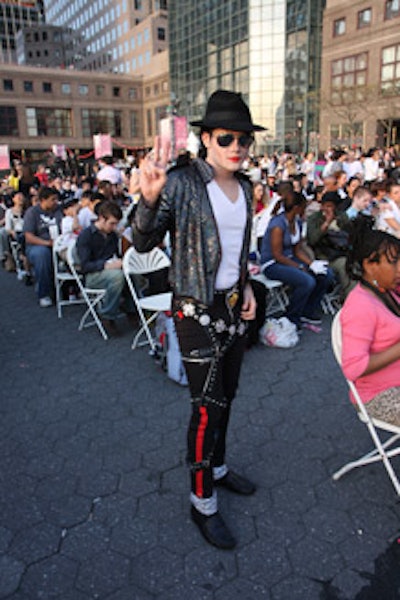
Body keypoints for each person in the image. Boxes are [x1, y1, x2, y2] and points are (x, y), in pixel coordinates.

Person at [132, 89, 259, 550]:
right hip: (192, 309)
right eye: (227, 137)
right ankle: (201, 502)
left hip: (231, 305)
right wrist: (148, 200)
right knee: (205, 406)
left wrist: (245, 285)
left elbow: (239, 249)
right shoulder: (182, 182)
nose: (238, 147)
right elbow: (142, 245)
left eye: (245, 139)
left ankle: (219, 469)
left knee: (228, 394)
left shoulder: (245, 186)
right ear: (206, 138)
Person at [340, 216, 400, 425]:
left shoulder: (389, 290)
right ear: (369, 265)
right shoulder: (360, 305)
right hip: (378, 394)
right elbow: (353, 368)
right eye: (394, 263)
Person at [261, 190, 335, 330]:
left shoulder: (297, 222)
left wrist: (311, 263)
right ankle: (292, 316)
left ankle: (307, 310)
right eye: (303, 207)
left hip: (289, 259)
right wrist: (300, 267)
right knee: (307, 280)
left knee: (326, 274)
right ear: (296, 208)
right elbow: (277, 255)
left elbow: (297, 250)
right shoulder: (278, 224)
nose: (305, 210)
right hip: (273, 263)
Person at [76, 200, 131, 334]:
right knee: (118, 276)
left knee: (131, 273)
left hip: (108, 271)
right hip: (92, 275)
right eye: (112, 223)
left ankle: (131, 309)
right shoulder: (86, 235)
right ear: (101, 218)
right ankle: (107, 315)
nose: (114, 227)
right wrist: (107, 265)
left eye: (116, 224)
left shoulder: (112, 235)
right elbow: (84, 265)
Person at [23, 186, 62, 307]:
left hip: (58, 242)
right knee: (42, 254)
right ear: (43, 200)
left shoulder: (59, 210)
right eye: (52, 199)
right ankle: (43, 293)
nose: (55, 202)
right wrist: (47, 243)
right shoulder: (32, 213)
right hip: (37, 244)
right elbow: (29, 236)